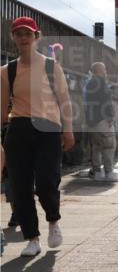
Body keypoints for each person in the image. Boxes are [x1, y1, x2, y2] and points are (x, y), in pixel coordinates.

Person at [0, 16, 74, 258]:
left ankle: (53, 221)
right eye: (18, 34)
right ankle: (32, 238)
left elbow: (64, 101)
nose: (23, 38)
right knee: (20, 188)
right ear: (13, 37)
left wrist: (68, 129)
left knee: (46, 182)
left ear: (36, 37)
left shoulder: (52, 67)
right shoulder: (6, 71)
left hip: (48, 129)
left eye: (27, 34)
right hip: (18, 129)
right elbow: (2, 111)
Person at [83, 62, 118, 181]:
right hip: (102, 120)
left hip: (91, 121)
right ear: (99, 70)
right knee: (109, 145)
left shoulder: (88, 83)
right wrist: (110, 116)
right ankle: (109, 172)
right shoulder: (101, 82)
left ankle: (97, 172)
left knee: (96, 147)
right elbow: (106, 101)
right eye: (104, 70)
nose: (106, 72)